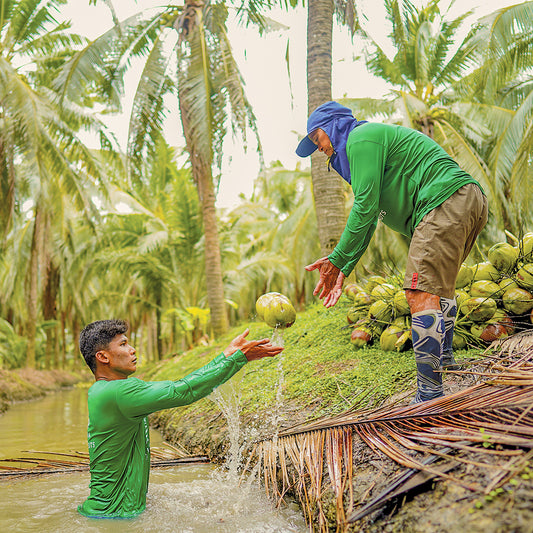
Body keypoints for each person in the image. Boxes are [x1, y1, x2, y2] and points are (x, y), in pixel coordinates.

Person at [297, 101, 488, 403]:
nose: (317, 147)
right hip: (466, 200)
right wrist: (343, 265)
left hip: (444, 200)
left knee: (419, 291)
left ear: (334, 126)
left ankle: (429, 395)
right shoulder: (365, 147)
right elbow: (369, 217)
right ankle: (446, 364)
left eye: (316, 137)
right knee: (437, 290)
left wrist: (336, 259)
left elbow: (364, 207)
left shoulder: (361, 138)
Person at [78, 319, 283, 518]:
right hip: (114, 516)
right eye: (123, 344)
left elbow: (183, 386)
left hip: (104, 513)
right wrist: (239, 358)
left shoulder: (103, 391)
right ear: (103, 357)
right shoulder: (120, 393)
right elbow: (184, 390)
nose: (132, 349)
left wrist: (225, 356)